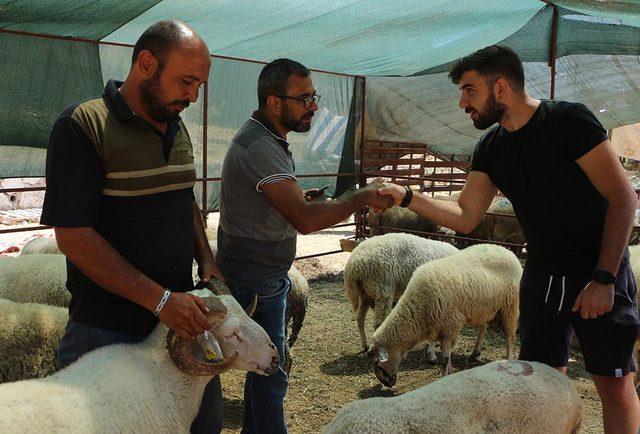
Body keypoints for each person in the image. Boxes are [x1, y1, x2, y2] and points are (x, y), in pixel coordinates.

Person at [379, 45, 640, 434]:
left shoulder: (568, 121)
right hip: (541, 276)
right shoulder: (491, 147)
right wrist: (408, 197)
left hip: (595, 270)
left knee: (613, 383)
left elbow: (623, 197)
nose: (461, 102)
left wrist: (604, 279)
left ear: (500, 87)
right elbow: (467, 216)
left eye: (469, 90)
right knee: (540, 383)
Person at [40, 20, 225, 433]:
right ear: (146, 63)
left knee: (202, 425)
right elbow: (74, 237)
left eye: (200, 85)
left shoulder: (175, 125)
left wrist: (207, 260)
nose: (193, 96)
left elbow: (183, 196)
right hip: (108, 331)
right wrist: (161, 301)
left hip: (182, 323)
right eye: (187, 81)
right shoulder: (82, 126)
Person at [217, 58, 392, 434]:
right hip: (257, 277)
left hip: (260, 272)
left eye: (314, 96)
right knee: (271, 371)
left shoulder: (265, 138)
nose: (314, 106)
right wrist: (361, 197)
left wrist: (297, 197)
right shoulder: (262, 146)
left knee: (266, 370)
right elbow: (306, 220)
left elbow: (275, 202)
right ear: (275, 103)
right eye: (305, 98)